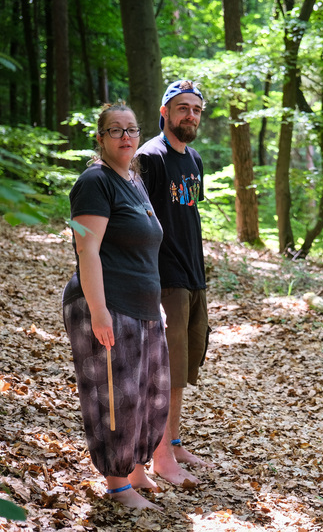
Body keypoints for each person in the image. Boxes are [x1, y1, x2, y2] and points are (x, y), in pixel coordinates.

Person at [62, 103, 169, 510]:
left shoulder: (134, 180)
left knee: (149, 393)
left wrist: (157, 304)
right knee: (115, 397)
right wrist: (98, 309)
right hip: (107, 304)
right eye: (115, 130)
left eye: (132, 129)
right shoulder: (93, 182)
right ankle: (117, 484)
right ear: (100, 138)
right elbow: (86, 249)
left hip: (144, 307)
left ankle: (136, 469)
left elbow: (144, 249)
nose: (126, 136)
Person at [137, 80, 211, 487]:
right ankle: (160, 455)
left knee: (181, 368)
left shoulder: (194, 158)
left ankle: (175, 442)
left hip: (193, 276)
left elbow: (188, 217)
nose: (190, 115)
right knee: (164, 370)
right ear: (164, 112)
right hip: (165, 278)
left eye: (196, 109)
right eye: (183, 108)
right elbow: (138, 221)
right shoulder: (151, 157)